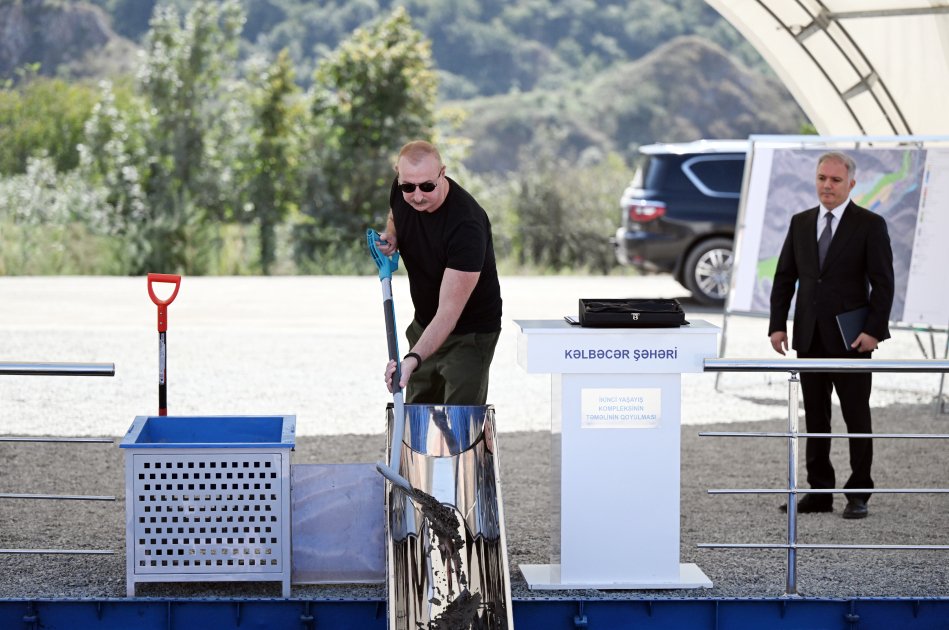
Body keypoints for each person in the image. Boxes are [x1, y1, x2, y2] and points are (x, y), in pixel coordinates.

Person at [768, 151, 894, 520]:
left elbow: (883, 284)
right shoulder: (800, 222)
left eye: (835, 180)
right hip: (808, 336)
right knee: (816, 420)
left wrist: (873, 331)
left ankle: (858, 494)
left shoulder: (870, 225)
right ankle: (819, 492)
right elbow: (783, 278)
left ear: (851, 184)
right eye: (822, 178)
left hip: (852, 339)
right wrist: (777, 325)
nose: (827, 185)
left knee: (857, 417)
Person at [378, 140, 502, 405]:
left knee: (459, 423)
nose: (418, 195)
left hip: (469, 332)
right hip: (424, 324)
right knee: (418, 414)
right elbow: (395, 213)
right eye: (408, 187)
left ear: (442, 173)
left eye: (427, 186)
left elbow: (448, 312)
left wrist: (412, 358)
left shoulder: (466, 225)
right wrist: (392, 234)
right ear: (399, 175)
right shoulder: (402, 190)